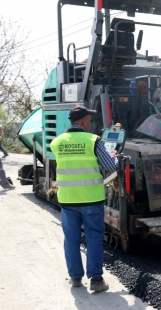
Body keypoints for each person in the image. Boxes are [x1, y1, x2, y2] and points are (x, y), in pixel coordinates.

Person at [49, 106, 118, 292]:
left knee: (71, 239)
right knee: (94, 237)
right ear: (84, 121)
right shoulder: (93, 140)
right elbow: (110, 166)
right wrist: (114, 157)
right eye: (89, 119)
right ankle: (96, 279)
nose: (90, 122)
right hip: (91, 199)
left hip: (68, 199)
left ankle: (75, 278)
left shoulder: (57, 142)